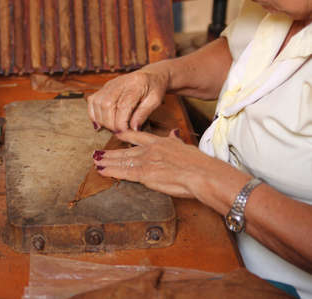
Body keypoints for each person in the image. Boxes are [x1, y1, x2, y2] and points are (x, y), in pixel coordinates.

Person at [87, 0, 312, 297]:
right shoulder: (282, 9)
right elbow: (242, 57)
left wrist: (207, 177)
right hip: (218, 237)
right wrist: (160, 75)